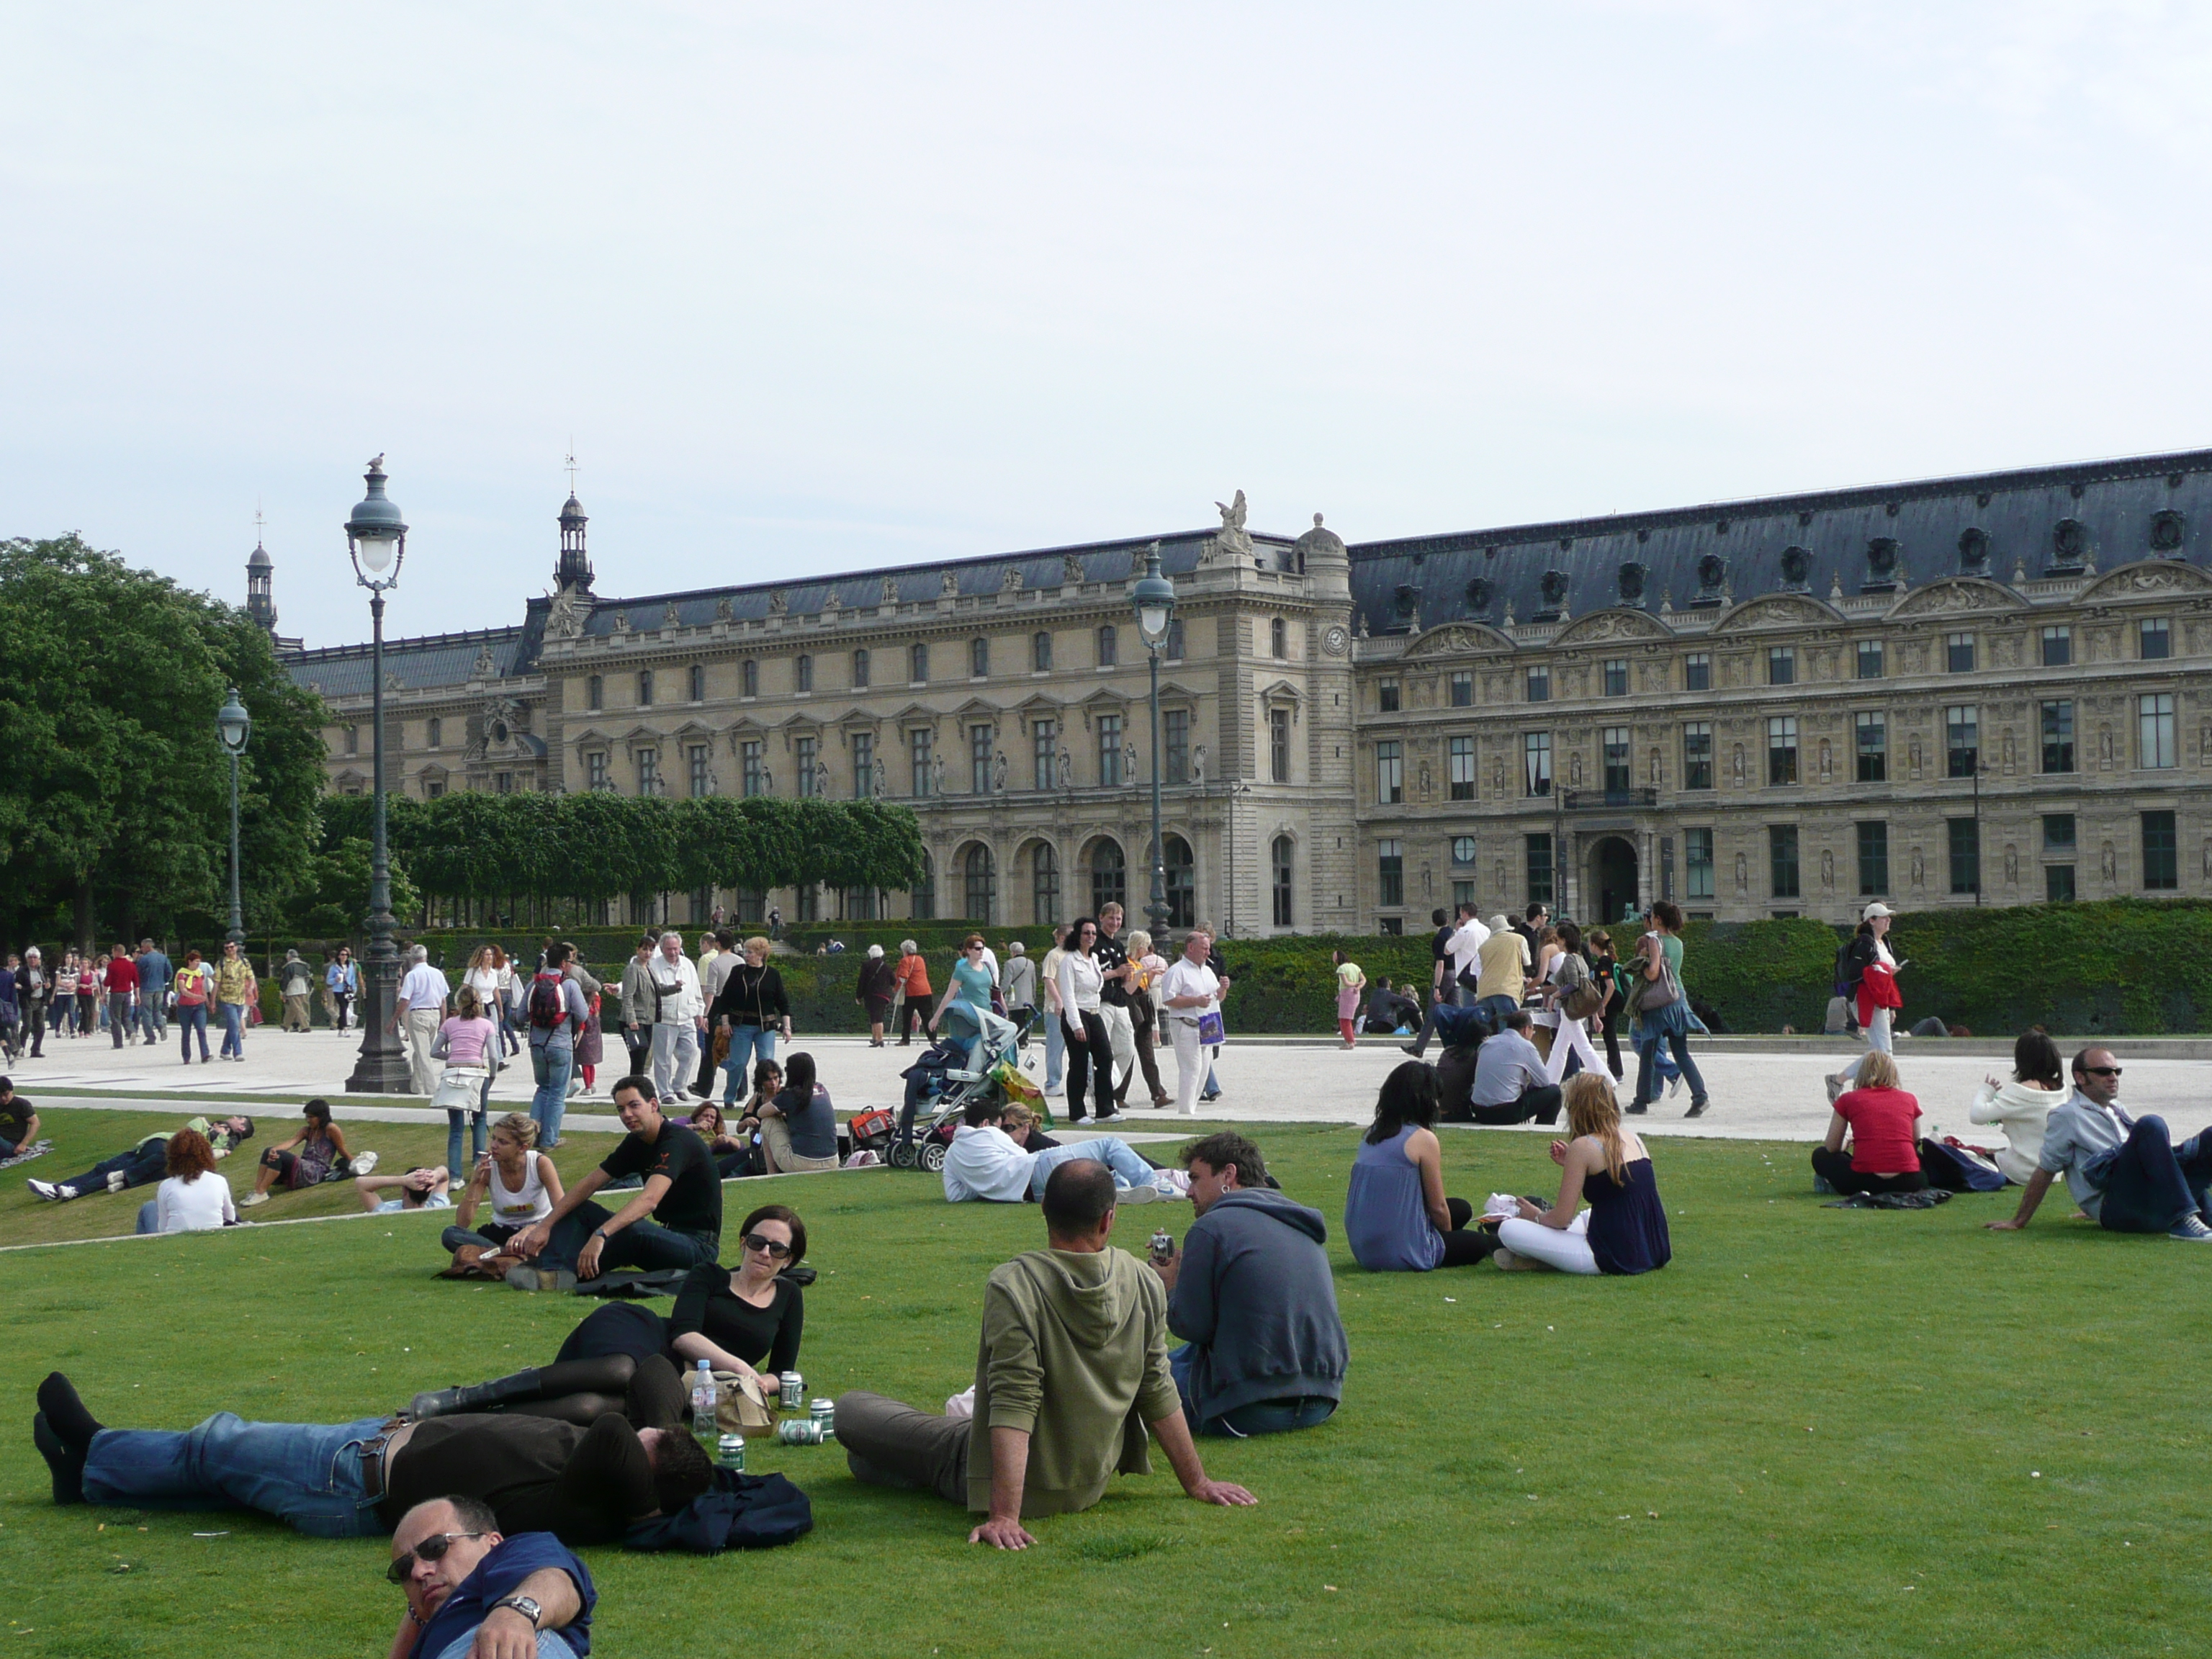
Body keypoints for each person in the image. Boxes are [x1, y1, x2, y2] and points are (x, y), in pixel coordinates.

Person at [835, 1160, 1257, 1546]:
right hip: (1091, 1482)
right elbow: (1157, 1387)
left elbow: (1014, 1401)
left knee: (851, 1412)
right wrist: (1197, 1481)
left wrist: (1004, 1515)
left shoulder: (1016, 1284)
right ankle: (881, 1469)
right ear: (1108, 1219)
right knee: (864, 1464)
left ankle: (913, 1469)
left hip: (1005, 1477)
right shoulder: (1144, 1280)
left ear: (1043, 1211)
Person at [35, 1369, 709, 1545]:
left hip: (351, 1480)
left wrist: (649, 1513)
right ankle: (84, 1480)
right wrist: (670, 1431)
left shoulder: (585, 1508)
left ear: (637, 1474)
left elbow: (620, 1434)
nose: (630, 1427)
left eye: (644, 1440)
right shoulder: (606, 1476)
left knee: (219, 1445)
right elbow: (652, 1370)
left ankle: (94, 1445)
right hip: (374, 1446)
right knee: (215, 1484)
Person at [1152, 1132, 1345, 1437]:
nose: (1189, 1191)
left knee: (1137, 1378)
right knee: (1179, 1358)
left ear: (1229, 1174)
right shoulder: (1299, 1221)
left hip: (1246, 1408)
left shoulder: (1210, 1228)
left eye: (1195, 1179)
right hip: (1322, 1398)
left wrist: (1172, 1285)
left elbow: (1192, 1327)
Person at [505, 1076, 723, 1288]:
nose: (627, 1114)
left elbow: (649, 1200)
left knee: (631, 1229)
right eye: (621, 1109)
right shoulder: (637, 1141)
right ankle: (553, 1270)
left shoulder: (677, 1141)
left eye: (634, 1105)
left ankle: (559, 1272)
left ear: (653, 1105)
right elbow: (590, 1183)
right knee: (579, 1207)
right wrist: (544, 1226)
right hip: (668, 1235)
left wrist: (601, 1234)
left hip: (698, 1247)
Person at [1985, 1046, 2212, 1240]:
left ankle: (2203, 1218)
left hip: (2145, 1198)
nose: (2113, 1077)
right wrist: (2019, 1220)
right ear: (2081, 1077)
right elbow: (2047, 1168)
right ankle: (2184, 1219)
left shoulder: (2118, 1109)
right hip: (2120, 1209)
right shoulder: (2068, 1115)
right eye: (2104, 1072)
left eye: (2116, 1071)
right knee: (2151, 1125)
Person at [1493, 1071, 1673, 1274]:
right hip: (1652, 1248)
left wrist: (1536, 1216)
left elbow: (1561, 1220)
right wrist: (1573, 1165)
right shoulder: (1633, 1138)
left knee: (1509, 1230)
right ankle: (1550, 1257)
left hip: (1610, 1256)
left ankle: (1546, 1259)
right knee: (1589, 1215)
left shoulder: (1583, 1146)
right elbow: (1615, 1184)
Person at [385, 1496, 596, 1659]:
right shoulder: (433, 1630)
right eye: (404, 1570)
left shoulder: (514, 1553)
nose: (417, 1572)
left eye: (434, 1548)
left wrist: (516, 1614)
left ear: (493, 1543)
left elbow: (556, 1581)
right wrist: (419, 1612)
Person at [1344, 1061, 1499, 1269]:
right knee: (1477, 1244)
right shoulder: (1423, 1139)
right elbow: (1437, 1207)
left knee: (1461, 1209)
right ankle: (1509, 1241)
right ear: (1425, 1100)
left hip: (1364, 1248)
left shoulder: (1372, 1134)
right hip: (1400, 1250)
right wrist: (1447, 1238)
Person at [665, 1204, 807, 1394]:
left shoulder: (789, 1295)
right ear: (743, 1243)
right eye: (757, 1242)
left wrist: (754, 1384)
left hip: (713, 1386)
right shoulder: (708, 1275)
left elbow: (782, 1372)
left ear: (788, 1260)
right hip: (665, 1358)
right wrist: (740, 1369)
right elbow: (683, 1336)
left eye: (777, 1249)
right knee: (621, 1373)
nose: (765, 1253)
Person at [941, 1097, 1171, 1204]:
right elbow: (1021, 1156)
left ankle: (1118, 1185)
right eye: (1002, 1128)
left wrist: (986, 1185)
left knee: (1091, 1174)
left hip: (1034, 1195)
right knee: (1109, 1145)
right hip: (1035, 1169)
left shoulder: (951, 1154)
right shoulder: (988, 1134)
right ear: (985, 1123)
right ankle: (1154, 1182)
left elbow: (955, 1195)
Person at [32, 1112, 253, 1203]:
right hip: (150, 1145)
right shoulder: (208, 1127)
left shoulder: (226, 1141)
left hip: (164, 1149)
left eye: (238, 1119)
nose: (232, 1117)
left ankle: (74, 1191)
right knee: (104, 1167)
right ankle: (57, 1188)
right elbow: (195, 1124)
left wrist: (216, 1137)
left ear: (241, 1128)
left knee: (118, 1173)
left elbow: (208, 1148)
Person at [444, 1115, 565, 1270]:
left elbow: (562, 1211)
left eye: (503, 1142)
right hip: (501, 1235)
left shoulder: (540, 1163)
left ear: (523, 1148)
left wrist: (532, 1230)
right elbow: (462, 1223)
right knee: (450, 1234)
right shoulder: (488, 1167)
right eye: (494, 1139)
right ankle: (510, 1257)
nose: (494, 1146)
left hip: (537, 1231)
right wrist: (474, 1183)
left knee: (560, 1239)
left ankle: (495, 1258)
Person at [1628, 901, 1709, 1118]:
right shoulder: (1678, 943)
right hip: (1678, 998)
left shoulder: (1654, 940)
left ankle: (1641, 1101)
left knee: (1647, 1052)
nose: (1650, 918)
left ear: (1659, 919)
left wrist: (1640, 966)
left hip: (1658, 1002)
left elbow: (1654, 973)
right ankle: (1700, 1097)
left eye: (1652, 915)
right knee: (1681, 1052)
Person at [1810, 1051, 1925, 1195]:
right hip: (1908, 1181)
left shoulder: (1849, 1099)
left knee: (1821, 1155)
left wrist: (1847, 1140)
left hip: (1864, 1181)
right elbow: (1914, 1141)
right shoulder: (1909, 1099)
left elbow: (1832, 1147)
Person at [1969, 1030, 2066, 1185]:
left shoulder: (2021, 1092)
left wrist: (1986, 1091)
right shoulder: (2059, 1090)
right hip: (2052, 1172)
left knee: (1965, 1155)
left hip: (2022, 1172)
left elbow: (1977, 1116)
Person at [1827, 903, 1901, 1102]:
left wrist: (1891, 1006)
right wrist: (1883, 970)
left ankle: (1841, 1080)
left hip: (1880, 1000)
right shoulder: (1865, 943)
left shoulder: (1884, 942)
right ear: (1872, 921)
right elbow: (1855, 973)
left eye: (1888, 917)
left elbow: (1884, 977)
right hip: (1867, 1000)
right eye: (1883, 917)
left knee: (1878, 1049)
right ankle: (1889, 1090)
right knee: (1884, 1050)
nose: (1888, 920)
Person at [709, 936, 789, 1105]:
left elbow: (782, 1002)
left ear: (761, 954)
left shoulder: (772, 974)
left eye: (750, 952)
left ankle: (763, 1097)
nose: (746, 955)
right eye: (745, 951)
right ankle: (729, 1097)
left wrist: (787, 1027)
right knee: (738, 1064)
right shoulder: (738, 972)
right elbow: (725, 999)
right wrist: (725, 1023)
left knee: (766, 1063)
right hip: (741, 1026)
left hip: (765, 1027)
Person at [1401, 906, 1491, 1058]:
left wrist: (1437, 986)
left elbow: (1443, 958)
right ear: (1447, 920)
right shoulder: (1485, 931)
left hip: (1452, 975)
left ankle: (1420, 1047)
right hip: (1471, 975)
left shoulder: (1451, 935)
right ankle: (1456, 1045)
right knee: (1457, 1011)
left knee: (1434, 1012)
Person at [432, 986, 503, 1178]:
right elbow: (494, 1056)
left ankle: (455, 1177)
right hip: (477, 1072)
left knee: (456, 1128)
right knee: (480, 1119)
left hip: (454, 1072)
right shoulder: (487, 1025)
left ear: (459, 1004)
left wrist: (452, 1055)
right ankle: (479, 1166)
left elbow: (434, 1051)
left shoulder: (449, 1024)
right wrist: (493, 1075)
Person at [527, 943, 592, 1150]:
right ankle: (549, 1140)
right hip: (560, 1043)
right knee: (557, 1093)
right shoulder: (570, 985)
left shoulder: (533, 985)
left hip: (537, 1044)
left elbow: (519, 1015)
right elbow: (583, 1014)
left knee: (542, 1089)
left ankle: (529, 1137)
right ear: (563, 963)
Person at [1056, 917, 1120, 1125]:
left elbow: (1096, 987)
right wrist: (1076, 1024)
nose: (1091, 937)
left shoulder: (1093, 959)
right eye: (1086, 933)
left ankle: (1105, 1109)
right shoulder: (1069, 961)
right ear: (1078, 935)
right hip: (1077, 1014)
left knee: (1105, 1059)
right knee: (1079, 1064)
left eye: (1093, 933)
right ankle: (1077, 1112)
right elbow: (1068, 995)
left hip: (1094, 1012)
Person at [1159, 926, 1226, 1116]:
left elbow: (1217, 998)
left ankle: (1192, 1109)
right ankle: (1185, 1111)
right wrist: (1195, 1001)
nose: (1208, 952)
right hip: (1185, 1024)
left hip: (1208, 1025)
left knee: (1204, 1070)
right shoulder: (1177, 971)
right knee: (1191, 1068)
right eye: (1204, 948)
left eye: (1208, 948)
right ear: (1191, 948)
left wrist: (1223, 990)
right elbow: (1168, 999)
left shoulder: (1207, 971)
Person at [243, 1099, 361, 1206]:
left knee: (280, 1155)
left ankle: (261, 1192)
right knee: (269, 1151)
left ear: (321, 1117)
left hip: (316, 1171)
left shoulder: (331, 1129)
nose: (307, 1120)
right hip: (304, 1166)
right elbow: (291, 1142)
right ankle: (258, 1190)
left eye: (311, 1117)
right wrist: (274, 1150)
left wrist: (355, 1163)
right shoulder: (306, 1131)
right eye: (307, 1117)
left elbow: (342, 1150)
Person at [932, 935, 1014, 1076]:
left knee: (1000, 1041)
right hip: (971, 1015)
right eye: (977, 949)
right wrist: (936, 1017)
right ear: (968, 950)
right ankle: (971, 1075)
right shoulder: (962, 970)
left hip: (987, 1014)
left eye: (982, 948)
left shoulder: (987, 967)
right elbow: (949, 995)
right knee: (979, 1045)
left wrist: (1005, 1011)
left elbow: (996, 990)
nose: (981, 951)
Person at [640, 932, 704, 1106]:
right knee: (663, 1058)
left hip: (687, 1016)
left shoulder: (688, 964)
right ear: (662, 949)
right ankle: (665, 1092)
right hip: (664, 1018)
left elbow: (696, 989)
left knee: (691, 1052)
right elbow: (641, 985)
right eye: (669, 949)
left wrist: (700, 1011)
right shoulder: (653, 966)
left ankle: (679, 1085)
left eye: (675, 948)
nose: (673, 952)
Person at [1536, 921, 1603, 1085]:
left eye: (1557, 939)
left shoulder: (1569, 960)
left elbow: (1574, 984)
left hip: (1570, 1007)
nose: (1555, 943)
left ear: (1564, 941)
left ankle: (1606, 1079)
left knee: (1581, 1048)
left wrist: (1554, 996)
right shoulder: (1578, 958)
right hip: (1575, 1007)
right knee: (1561, 1048)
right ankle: (1550, 1080)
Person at [135, 1128, 238, 1234]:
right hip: (213, 1239)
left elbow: (162, 1227)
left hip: (174, 1242)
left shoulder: (167, 1186)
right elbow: (231, 1217)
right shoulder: (219, 1181)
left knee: (149, 1207)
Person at [1467, 1010, 1562, 1125]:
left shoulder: (1488, 1043)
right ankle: (1542, 1128)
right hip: (1505, 1112)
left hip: (1480, 1111)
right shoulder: (1526, 1046)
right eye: (1533, 1030)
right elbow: (1544, 1082)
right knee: (1555, 1092)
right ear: (1526, 1029)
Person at [756, 1050, 840, 1174]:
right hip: (833, 1160)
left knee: (768, 1121)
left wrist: (778, 1107)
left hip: (803, 1163)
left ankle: (771, 1175)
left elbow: (761, 1113)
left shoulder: (790, 1094)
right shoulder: (822, 1089)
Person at [1115, 930, 1170, 1110]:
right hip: (1132, 1006)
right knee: (1128, 1051)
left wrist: (1151, 974)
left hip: (1144, 1005)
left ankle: (1158, 1094)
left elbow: (1143, 985)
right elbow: (1129, 988)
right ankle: (1118, 1094)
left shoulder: (1139, 964)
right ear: (1139, 946)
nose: (1146, 950)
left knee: (1147, 1053)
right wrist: (1142, 973)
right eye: (1145, 946)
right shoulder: (1128, 963)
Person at [1092, 902, 1140, 1102]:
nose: (1115, 922)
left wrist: (1127, 975)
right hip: (1102, 1002)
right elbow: (1091, 976)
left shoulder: (1118, 945)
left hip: (1120, 1002)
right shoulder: (1095, 943)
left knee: (1127, 1049)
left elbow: (1124, 976)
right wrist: (1116, 973)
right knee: (1104, 1050)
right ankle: (1101, 1093)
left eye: (1119, 919)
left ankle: (1105, 1086)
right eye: (1111, 918)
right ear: (1101, 918)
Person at [395, 945, 452, 1094]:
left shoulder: (412, 975)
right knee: (420, 1053)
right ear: (426, 957)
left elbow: (405, 1000)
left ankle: (431, 1090)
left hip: (419, 1015)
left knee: (424, 1055)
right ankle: (416, 1087)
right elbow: (443, 1000)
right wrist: (443, 1021)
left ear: (412, 959)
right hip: (435, 1014)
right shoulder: (438, 974)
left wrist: (394, 1020)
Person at [1585, 928, 1625, 1081]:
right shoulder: (1609, 960)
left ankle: (1616, 1072)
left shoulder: (1603, 963)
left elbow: (1610, 985)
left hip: (1609, 1004)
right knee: (1610, 1038)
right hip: (1613, 1003)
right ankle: (1615, 1070)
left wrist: (1602, 1006)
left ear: (1594, 945)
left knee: (1610, 1038)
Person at [616, 936, 657, 1077]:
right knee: (637, 1058)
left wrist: (675, 987)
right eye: (645, 949)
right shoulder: (633, 969)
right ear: (638, 950)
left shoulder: (649, 968)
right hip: (634, 1022)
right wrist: (631, 1019)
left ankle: (637, 1088)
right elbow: (628, 996)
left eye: (651, 950)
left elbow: (657, 989)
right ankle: (635, 1089)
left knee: (643, 1057)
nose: (648, 953)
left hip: (648, 1020)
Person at [1038, 924, 1071, 1095]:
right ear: (1062, 938)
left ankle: (1089, 1079)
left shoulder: (1074, 955)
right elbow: (1048, 979)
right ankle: (1052, 1083)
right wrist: (1058, 1000)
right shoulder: (1054, 955)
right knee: (1055, 1048)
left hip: (1073, 1007)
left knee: (1083, 1047)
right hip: (1055, 1009)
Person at [683, 1101, 752, 1179]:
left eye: (712, 1118)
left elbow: (741, 1148)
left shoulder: (713, 1139)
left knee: (749, 1153)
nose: (709, 1119)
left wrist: (728, 1139)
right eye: (705, 1115)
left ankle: (731, 1178)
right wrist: (695, 1127)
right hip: (684, 1170)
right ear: (697, 1117)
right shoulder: (686, 1121)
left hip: (704, 1172)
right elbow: (672, 1129)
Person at [213, 940, 256, 1062]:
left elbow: (251, 977)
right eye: (227, 948)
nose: (230, 950)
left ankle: (225, 1050)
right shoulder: (221, 963)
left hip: (240, 999)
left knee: (233, 1026)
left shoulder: (244, 962)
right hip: (226, 999)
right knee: (235, 1025)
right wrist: (212, 1001)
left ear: (236, 948)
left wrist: (251, 989)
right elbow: (216, 983)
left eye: (231, 947)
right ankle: (238, 1052)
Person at [358, 1165, 455, 1214]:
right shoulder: (440, 1206)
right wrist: (435, 1175)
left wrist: (402, 1180)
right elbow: (444, 1176)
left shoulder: (385, 1212)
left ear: (405, 1190)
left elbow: (361, 1184)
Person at [173, 948, 212, 1064]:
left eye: (199, 962)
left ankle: (205, 1054)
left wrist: (207, 1001)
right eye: (196, 961)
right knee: (186, 1032)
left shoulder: (200, 974)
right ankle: (186, 1057)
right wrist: (196, 996)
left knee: (201, 1029)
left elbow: (203, 988)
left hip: (199, 1006)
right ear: (189, 962)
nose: (198, 964)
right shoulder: (182, 974)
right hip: (185, 1007)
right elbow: (183, 990)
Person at [893, 940, 933, 1045]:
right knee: (927, 1016)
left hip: (911, 992)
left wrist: (896, 988)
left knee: (907, 1016)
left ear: (905, 950)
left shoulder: (905, 961)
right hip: (926, 991)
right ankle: (933, 1038)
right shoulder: (920, 959)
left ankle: (905, 1039)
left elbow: (903, 977)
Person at [855, 944, 896, 1047]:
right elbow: (894, 981)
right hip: (883, 995)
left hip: (871, 995)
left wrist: (858, 996)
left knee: (876, 1017)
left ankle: (879, 1039)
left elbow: (862, 982)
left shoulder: (866, 965)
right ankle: (875, 1038)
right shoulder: (886, 966)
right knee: (877, 1016)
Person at [1001, 942, 1038, 1046]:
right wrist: (1033, 995)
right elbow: (1033, 981)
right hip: (1028, 998)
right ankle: (1024, 1040)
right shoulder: (1030, 963)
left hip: (1015, 998)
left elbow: (1007, 982)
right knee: (1024, 1019)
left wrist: (1000, 992)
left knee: (1016, 1019)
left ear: (1013, 952)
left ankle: (1020, 1041)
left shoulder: (1009, 963)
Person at [136, 938, 172, 1043]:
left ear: (147, 947)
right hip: (160, 987)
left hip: (147, 988)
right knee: (157, 1010)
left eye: (142, 947)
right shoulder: (163, 957)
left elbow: (138, 973)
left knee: (147, 1012)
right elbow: (169, 972)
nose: (141, 949)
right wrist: (163, 981)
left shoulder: (144, 959)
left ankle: (150, 1037)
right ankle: (161, 1026)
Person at [104, 945, 140, 1048]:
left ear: (116, 952)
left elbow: (107, 982)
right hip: (128, 993)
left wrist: (103, 995)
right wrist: (137, 996)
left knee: (115, 1018)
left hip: (116, 994)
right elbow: (136, 982)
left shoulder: (112, 966)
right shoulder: (131, 965)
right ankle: (131, 1030)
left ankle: (118, 1043)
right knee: (126, 1016)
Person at [1331, 950, 1366, 1049]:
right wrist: (1359, 987)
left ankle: (1350, 1041)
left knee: (1344, 1019)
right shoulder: (1355, 967)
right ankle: (1350, 1040)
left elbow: (1346, 982)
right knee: (1346, 1019)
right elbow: (1363, 980)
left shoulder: (1341, 968)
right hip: (1355, 994)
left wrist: (1355, 985)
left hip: (1347, 994)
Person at [0, 1079, 40, 1162]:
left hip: (12, 1145)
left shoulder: (21, 1104)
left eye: (6, 1094)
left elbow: (35, 1123)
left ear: (11, 1091)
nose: (3, 1098)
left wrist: (23, 1144)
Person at [276, 949, 314, 1033]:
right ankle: (286, 1025)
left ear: (289, 957)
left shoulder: (289, 966)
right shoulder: (304, 965)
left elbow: (286, 980)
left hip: (294, 988)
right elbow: (309, 978)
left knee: (297, 1008)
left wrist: (283, 990)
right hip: (303, 988)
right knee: (292, 1008)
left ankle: (305, 1026)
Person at [325, 945, 358, 1034]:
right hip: (338, 989)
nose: (344, 956)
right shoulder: (334, 967)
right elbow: (329, 980)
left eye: (346, 955)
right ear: (339, 956)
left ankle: (340, 1028)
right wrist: (335, 980)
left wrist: (354, 988)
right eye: (342, 954)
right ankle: (345, 1029)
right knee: (343, 1008)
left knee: (344, 1009)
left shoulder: (350, 966)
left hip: (348, 990)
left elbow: (353, 978)